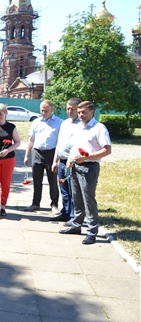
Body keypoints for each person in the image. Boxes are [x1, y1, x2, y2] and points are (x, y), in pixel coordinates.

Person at [59, 101, 111, 245]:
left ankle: (92, 232)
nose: (80, 115)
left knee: (88, 200)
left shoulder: (99, 128)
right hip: (75, 166)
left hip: (89, 168)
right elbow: (75, 146)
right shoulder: (79, 128)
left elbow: (107, 149)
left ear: (92, 112)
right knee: (77, 198)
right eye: (79, 112)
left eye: (83, 112)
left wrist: (86, 158)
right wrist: (70, 160)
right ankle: (76, 225)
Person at [23, 100, 63, 214]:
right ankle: (35, 203)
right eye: (41, 110)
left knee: (52, 180)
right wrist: (26, 155)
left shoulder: (59, 122)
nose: (43, 113)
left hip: (51, 153)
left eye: (46, 111)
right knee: (36, 179)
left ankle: (54, 204)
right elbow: (31, 139)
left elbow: (60, 142)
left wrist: (57, 159)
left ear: (52, 110)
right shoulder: (36, 122)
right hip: (37, 152)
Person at [50, 97, 81, 222]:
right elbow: (60, 143)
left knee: (73, 190)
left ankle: (74, 216)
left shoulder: (81, 125)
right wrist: (55, 160)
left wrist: (72, 160)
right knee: (64, 189)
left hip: (72, 163)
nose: (69, 111)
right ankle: (65, 212)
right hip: (62, 161)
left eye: (72, 109)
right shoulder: (65, 123)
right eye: (67, 108)